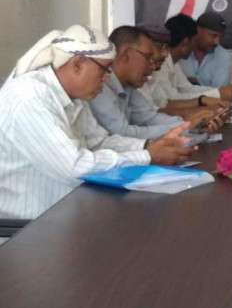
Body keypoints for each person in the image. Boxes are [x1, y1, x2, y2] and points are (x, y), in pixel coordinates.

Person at [0, 25, 193, 222]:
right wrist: (147, 156)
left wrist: (150, 146)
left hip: (67, 211)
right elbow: (75, 167)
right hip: (27, 228)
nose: (107, 78)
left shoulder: (73, 96)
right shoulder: (29, 97)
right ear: (78, 64)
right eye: (105, 69)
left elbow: (98, 141)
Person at [90, 26, 221, 140]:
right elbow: (123, 133)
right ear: (126, 55)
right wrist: (184, 127)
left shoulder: (128, 86)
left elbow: (149, 118)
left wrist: (191, 124)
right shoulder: (100, 85)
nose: (153, 66)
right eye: (147, 58)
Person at [140, 20, 232, 120]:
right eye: (194, 41)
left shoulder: (172, 62)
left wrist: (216, 93)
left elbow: (185, 88)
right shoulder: (159, 64)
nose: (165, 54)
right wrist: (210, 97)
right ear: (185, 42)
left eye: (166, 47)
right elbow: (169, 101)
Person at [177, 12, 232, 87]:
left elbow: (220, 91)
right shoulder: (181, 50)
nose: (217, 42)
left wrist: (192, 83)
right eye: (213, 36)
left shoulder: (223, 56)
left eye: (220, 37)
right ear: (198, 30)